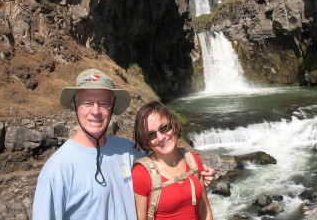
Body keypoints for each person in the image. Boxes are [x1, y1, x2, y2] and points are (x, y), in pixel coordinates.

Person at [33, 68, 215, 220]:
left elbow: (164, 159)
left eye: (103, 103)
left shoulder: (126, 150)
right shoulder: (57, 170)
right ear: (75, 106)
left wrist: (197, 169)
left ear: (112, 107)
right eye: (87, 103)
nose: (95, 111)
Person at [132, 101, 213, 220]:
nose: (161, 137)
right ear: (145, 142)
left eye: (164, 128)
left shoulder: (192, 160)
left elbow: (205, 211)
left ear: (174, 124)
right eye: (151, 135)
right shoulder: (141, 173)